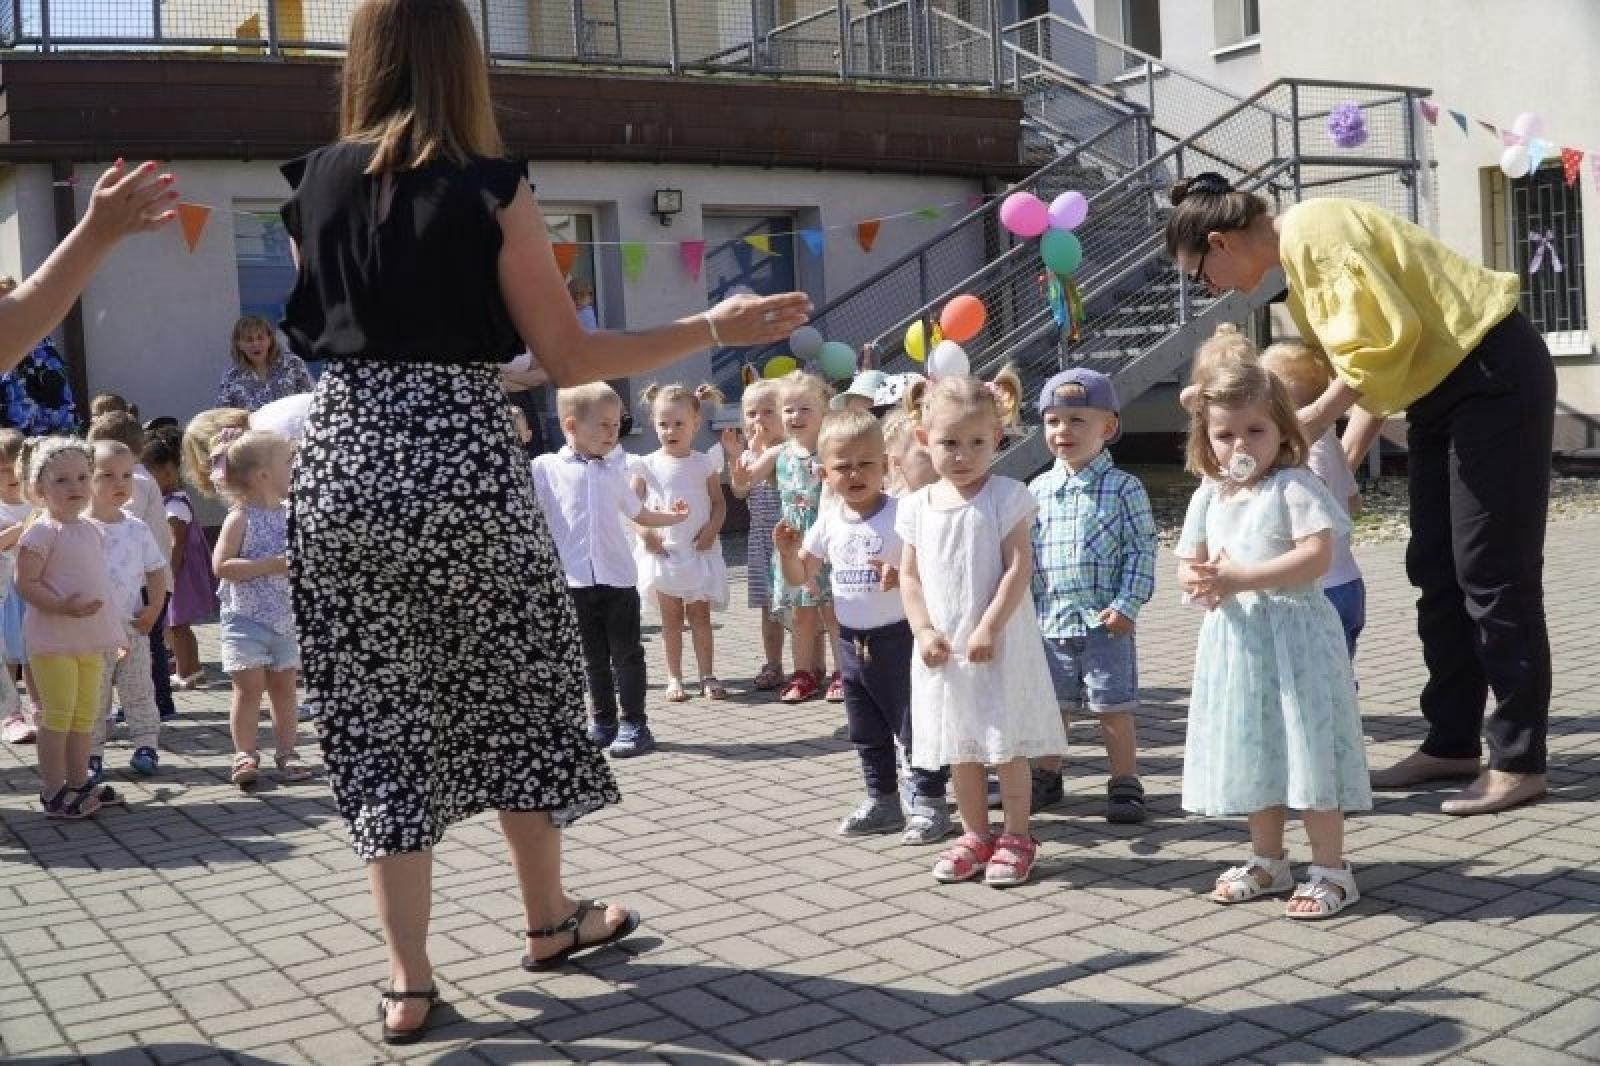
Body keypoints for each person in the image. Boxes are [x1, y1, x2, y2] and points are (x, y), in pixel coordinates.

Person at [275, 0, 809, 1043]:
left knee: (379, 716)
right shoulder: (492, 186)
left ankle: (406, 980)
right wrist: (710, 323)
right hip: (461, 462)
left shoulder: (313, 181)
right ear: (459, 60)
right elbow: (568, 358)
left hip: (339, 466)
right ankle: (548, 919)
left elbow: (328, 334)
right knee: (516, 686)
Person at [1165, 172, 1554, 816]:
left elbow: (1379, 345)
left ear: (1219, 241)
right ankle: (1453, 741)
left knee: (1491, 572)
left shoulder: (1315, 231)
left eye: (1199, 272)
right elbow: (1372, 367)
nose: (1207, 288)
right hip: (1440, 394)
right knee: (1434, 566)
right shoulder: (1298, 269)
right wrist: (1344, 450)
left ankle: (1518, 758)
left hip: (1492, 377)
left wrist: (1307, 426)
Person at [1176, 360, 1371, 918]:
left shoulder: (1294, 485)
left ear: (1283, 431)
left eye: (1255, 430)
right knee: (1257, 746)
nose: (1240, 443)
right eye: (1225, 433)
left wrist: (1240, 578)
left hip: (1295, 639)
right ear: (1206, 439)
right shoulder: (1210, 495)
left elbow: (1316, 555)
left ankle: (1332, 868)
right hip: (1237, 643)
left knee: (1307, 748)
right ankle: (1268, 858)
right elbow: (1188, 561)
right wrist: (1201, 581)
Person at [897, 372, 1065, 887]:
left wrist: (990, 624)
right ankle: (974, 833)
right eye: (949, 443)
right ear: (925, 439)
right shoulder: (917, 506)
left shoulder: (1007, 496)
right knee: (960, 747)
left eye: (976, 442)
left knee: (1004, 744)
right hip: (944, 653)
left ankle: (1018, 833)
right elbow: (909, 574)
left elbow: (1018, 567)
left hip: (997, 646)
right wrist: (923, 629)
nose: (963, 455)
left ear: (997, 437)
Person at [774, 409, 953, 844]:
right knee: (866, 729)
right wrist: (786, 552)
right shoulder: (829, 520)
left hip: (899, 639)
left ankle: (930, 803)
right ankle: (883, 801)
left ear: (886, 465)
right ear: (823, 473)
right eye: (842, 466)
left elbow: (933, 569)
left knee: (915, 726)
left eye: (865, 463)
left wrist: (901, 576)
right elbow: (802, 577)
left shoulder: (904, 512)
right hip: (852, 644)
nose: (854, 474)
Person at [1028, 368, 1157, 822]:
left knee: (1113, 706)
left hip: (1106, 621)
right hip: (1051, 622)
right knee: (1052, 707)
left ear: (1108, 426)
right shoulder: (1038, 490)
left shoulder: (1125, 488)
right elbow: (1026, 558)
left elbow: (1142, 550)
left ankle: (1125, 782)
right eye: (1053, 421)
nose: (1063, 432)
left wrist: (1127, 604)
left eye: (1078, 420)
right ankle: (1046, 776)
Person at [530, 382, 687, 754]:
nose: (612, 432)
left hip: (618, 580)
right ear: (570, 426)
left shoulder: (615, 471)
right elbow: (530, 515)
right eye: (603, 425)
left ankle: (635, 724)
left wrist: (672, 516)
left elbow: (639, 512)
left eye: (616, 425)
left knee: (627, 654)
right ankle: (602, 721)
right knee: (592, 658)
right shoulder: (545, 468)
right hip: (574, 581)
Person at [15, 438, 128, 819]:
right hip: (54, 641)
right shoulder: (41, 533)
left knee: (85, 715)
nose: (75, 487)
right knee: (57, 715)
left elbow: (100, 584)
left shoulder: (91, 529)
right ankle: (52, 789)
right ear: (38, 489)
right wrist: (62, 606)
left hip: (91, 639)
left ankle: (79, 781)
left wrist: (116, 632)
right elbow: (24, 584)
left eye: (83, 477)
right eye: (62, 480)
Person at [199, 427, 312, 786]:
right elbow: (221, 566)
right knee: (248, 689)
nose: (295, 467)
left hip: (286, 618)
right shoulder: (240, 517)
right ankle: (244, 753)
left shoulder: (294, 512)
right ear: (264, 474)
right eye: (288, 461)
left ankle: (287, 751)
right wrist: (270, 564)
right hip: (246, 619)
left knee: (285, 689)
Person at [732, 371, 841, 704]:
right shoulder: (780, 453)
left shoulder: (830, 449)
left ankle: (842, 673)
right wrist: (737, 476)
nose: (795, 416)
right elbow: (743, 486)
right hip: (792, 546)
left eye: (805, 409)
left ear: (823, 412)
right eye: (789, 409)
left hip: (826, 545)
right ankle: (804, 673)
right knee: (801, 614)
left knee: (832, 612)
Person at [1259, 342, 1366, 659]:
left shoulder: (1307, 449)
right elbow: (1354, 502)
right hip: (1348, 581)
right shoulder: (1332, 443)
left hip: (1321, 590)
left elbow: (1310, 494)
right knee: (1340, 672)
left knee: (1318, 677)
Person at [632, 383, 729, 710]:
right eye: (663, 424)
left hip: (698, 551)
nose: (670, 431)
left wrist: (713, 529)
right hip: (664, 553)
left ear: (695, 424)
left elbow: (719, 504)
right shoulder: (646, 464)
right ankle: (674, 677)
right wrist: (645, 533)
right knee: (671, 621)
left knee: (700, 618)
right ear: (654, 424)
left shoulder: (705, 464)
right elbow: (630, 506)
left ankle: (707, 674)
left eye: (678, 424)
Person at [84, 440, 168, 778]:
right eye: (107, 475)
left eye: (127, 475)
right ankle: (90, 755)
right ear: (86, 478)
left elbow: (155, 569)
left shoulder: (136, 527)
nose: (120, 483)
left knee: (139, 689)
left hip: (132, 626)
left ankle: (146, 744)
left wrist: (155, 606)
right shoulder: (78, 528)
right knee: (94, 698)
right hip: (90, 632)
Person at [88, 412, 178, 721]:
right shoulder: (141, 477)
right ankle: (143, 704)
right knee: (143, 645)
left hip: (145, 577)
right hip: (137, 576)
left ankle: (156, 703)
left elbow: (123, 518)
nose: (118, 482)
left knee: (147, 644)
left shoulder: (136, 483)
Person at [721, 378, 790, 692]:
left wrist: (761, 453)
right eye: (751, 414)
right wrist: (736, 460)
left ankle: (810, 665)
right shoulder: (747, 457)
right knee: (768, 608)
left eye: (767, 412)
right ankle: (773, 663)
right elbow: (739, 490)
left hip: (789, 538)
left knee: (804, 605)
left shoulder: (787, 451)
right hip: (760, 540)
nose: (758, 420)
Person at [159, 425, 219, 688]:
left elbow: (176, 543)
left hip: (178, 572)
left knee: (177, 625)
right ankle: (191, 670)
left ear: (169, 472)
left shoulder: (173, 505)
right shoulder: (172, 500)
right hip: (177, 570)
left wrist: (168, 573)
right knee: (176, 626)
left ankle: (187, 672)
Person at [215, 315, 315, 411]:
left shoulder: (293, 364)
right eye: (249, 340)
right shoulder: (232, 376)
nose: (256, 344)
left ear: (270, 340)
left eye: (260, 338)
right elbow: (222, 414)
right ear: (239, 344)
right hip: (253, 428)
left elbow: (313, 399)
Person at [0, 430, 29, 742]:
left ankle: (42, 711)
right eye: (2, 469)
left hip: (36, 593)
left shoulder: (36, 503)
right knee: (8, 657)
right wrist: (17, 532)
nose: (10, 475)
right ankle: (10, 715)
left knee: (37, 656)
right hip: (7, 595)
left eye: (15, 467)